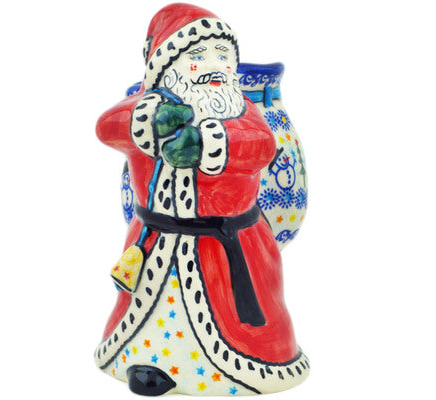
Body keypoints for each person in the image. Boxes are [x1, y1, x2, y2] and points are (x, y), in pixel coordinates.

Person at [94, 3, 309, 395]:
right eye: (198, 54)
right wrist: (147, 118)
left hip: (229, 245)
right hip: (154, 239)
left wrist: (212, 143)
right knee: (149, 311)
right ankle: (153, 363)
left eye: (223, 54)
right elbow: (107, 126)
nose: (214, 64)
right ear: (166, 66)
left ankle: (240, 372)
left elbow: (260, 145)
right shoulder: (145, 106)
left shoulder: (240, 110)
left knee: (243, 322)